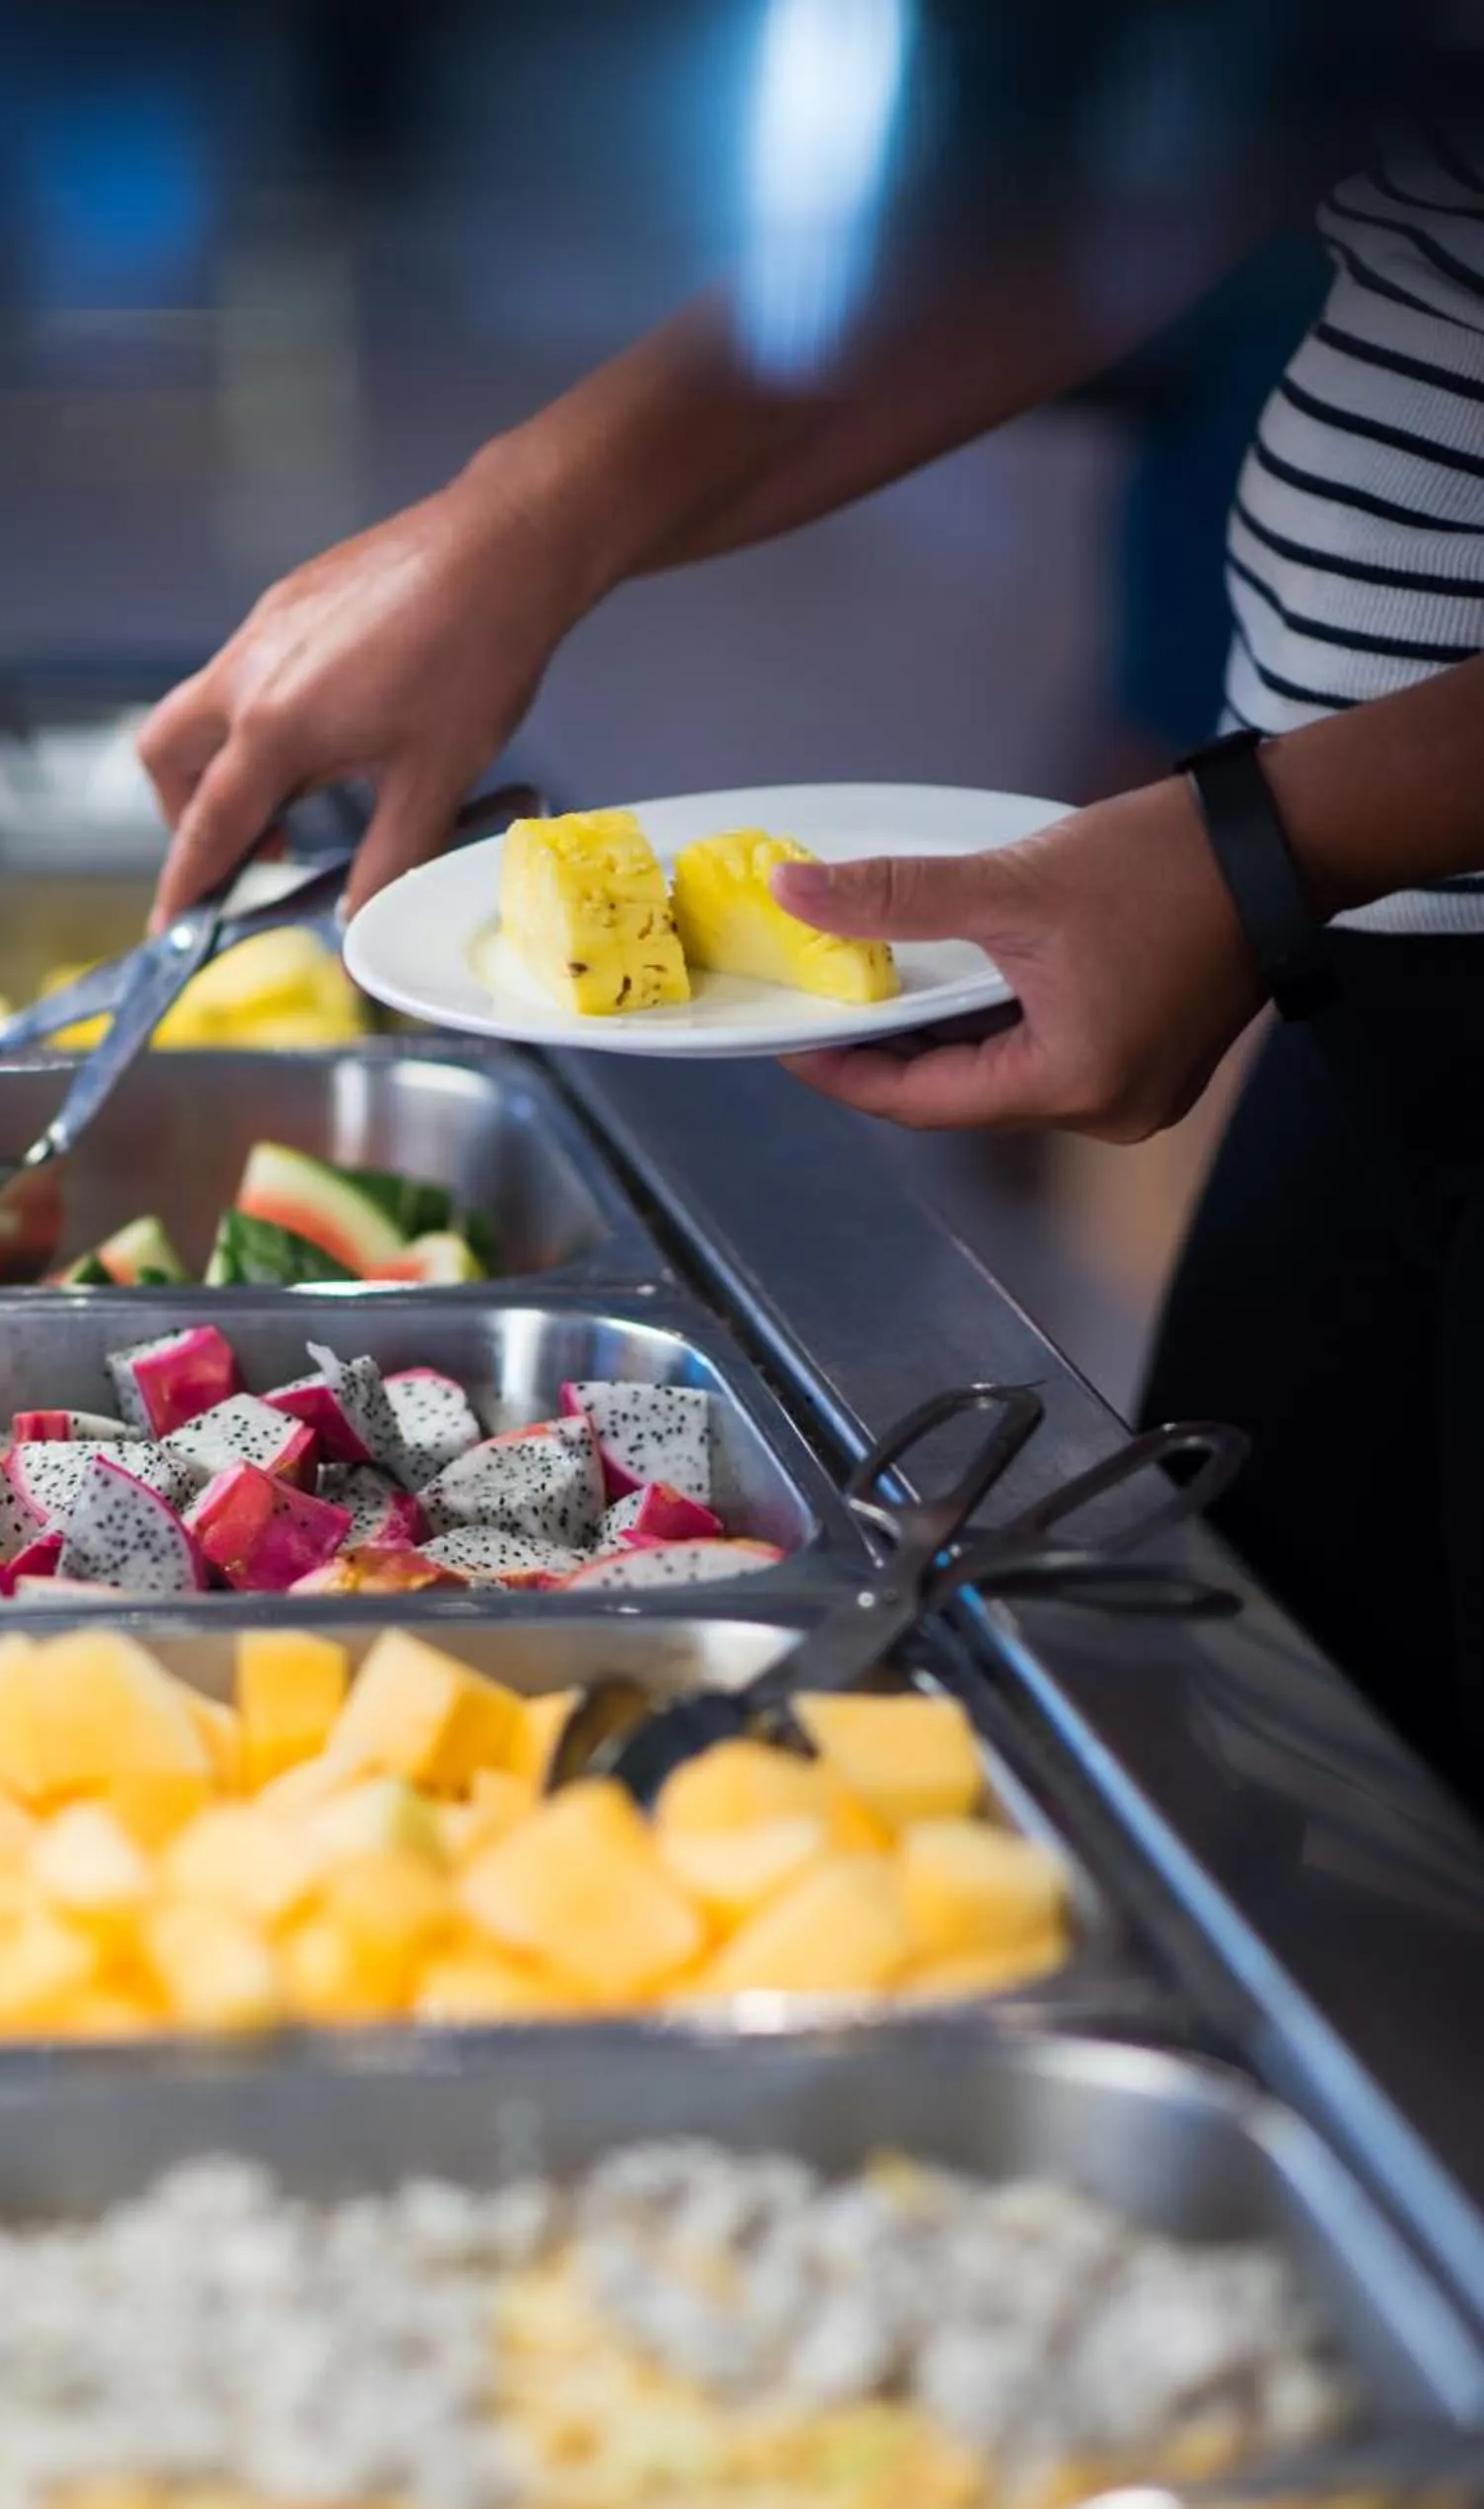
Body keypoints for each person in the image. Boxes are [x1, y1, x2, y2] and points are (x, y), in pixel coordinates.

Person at [139, 129, 1484, 1808]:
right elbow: (1176, 146)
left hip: (1321, 882)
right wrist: (527, 518)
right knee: (1268, 1800)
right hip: (1363, 975)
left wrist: (1265, 840)